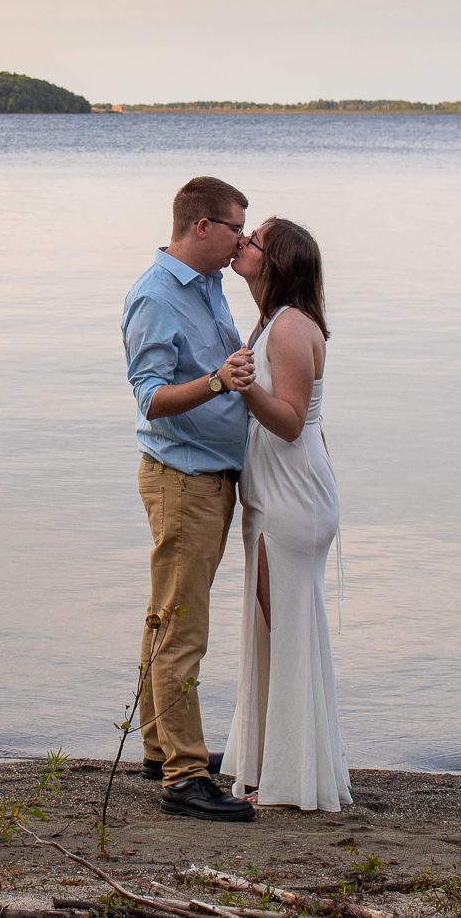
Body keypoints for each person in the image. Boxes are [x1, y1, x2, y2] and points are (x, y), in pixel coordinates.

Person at [121, 175, 259, 823]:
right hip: (184, 479)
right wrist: (215, 380)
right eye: (236, 226)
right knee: (183, 627)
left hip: (209, 475)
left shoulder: (208, 287)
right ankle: (184, 775)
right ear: (202, 225)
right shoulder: (154, 296)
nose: (243, 239)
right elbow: (150, 395)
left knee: (165, 616)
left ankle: (159, 747)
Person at [220, 217, 350, 810]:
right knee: (276, 628)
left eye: (254, 242)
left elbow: (294, 423)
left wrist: (243, 387)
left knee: (285, 628)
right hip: (281, 492)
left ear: (275, 262)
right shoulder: (273, 320)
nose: (242, 246)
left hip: (291, 499)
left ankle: (290, 781)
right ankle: (276, 769)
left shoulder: (290, 329)